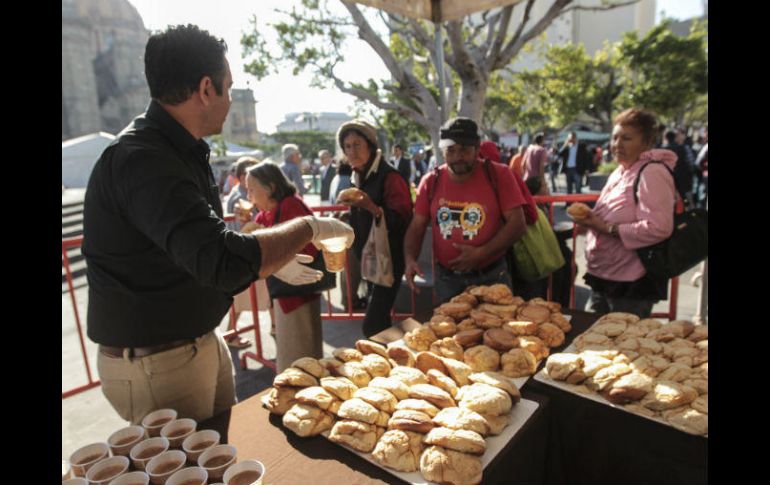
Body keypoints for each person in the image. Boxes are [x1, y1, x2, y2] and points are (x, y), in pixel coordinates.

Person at [81, 24, 354, 424]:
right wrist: (309, 229)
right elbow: (221, 260)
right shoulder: (144, 160)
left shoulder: (176, 151)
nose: (229, 99)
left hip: (193, 345)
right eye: (228, 87)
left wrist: (272, 258)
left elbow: (202, 245)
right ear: (206, 89)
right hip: (158, 362)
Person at [404, 118, 528, 303]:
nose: (458, 156)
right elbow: (417, 226)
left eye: (464, 150)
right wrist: (410, 259)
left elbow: (518, 224)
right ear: (442, 152)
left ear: (477, 149)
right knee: (447, 331)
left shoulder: (499, 175)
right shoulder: (430, 181)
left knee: (497, 330)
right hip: (447, 280)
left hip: (492, 276)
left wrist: (481, 253)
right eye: (451, 150)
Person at [573, 108, 676, 318]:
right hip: (602, 276)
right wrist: (589, 223)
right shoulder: (620, 171)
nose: (617, 144)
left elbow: (659, 227)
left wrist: (605, 227)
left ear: (646, 142)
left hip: (630, 285)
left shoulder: (652, 173)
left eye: (627, 138)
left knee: (622, 347)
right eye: (615, 137)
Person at [335, 120, 413, 337]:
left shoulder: (391, 177)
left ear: (370, 145)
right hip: (370, 260)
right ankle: (395, 364)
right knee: (381, 324)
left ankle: (393, 359)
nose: (352, 151)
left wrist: (370, 207)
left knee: (373, 325)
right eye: (347, 146)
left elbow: (402, 219)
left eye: (357, 144)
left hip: (389, 260)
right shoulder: (358, 176)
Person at [247, 161, 325, 372]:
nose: (248, 197)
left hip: (297, 293)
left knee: (300, 357)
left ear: (270, 187)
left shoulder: (291, 205)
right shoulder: (273, 210)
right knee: (294, 355)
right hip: (286, 293)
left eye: (251, 190)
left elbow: (307, 249)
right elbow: (260, 226)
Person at [226, 156, 259, 231]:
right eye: (255, 175)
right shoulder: (242, 198)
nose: (260, 179)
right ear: (243, 178)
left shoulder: (237, 191)